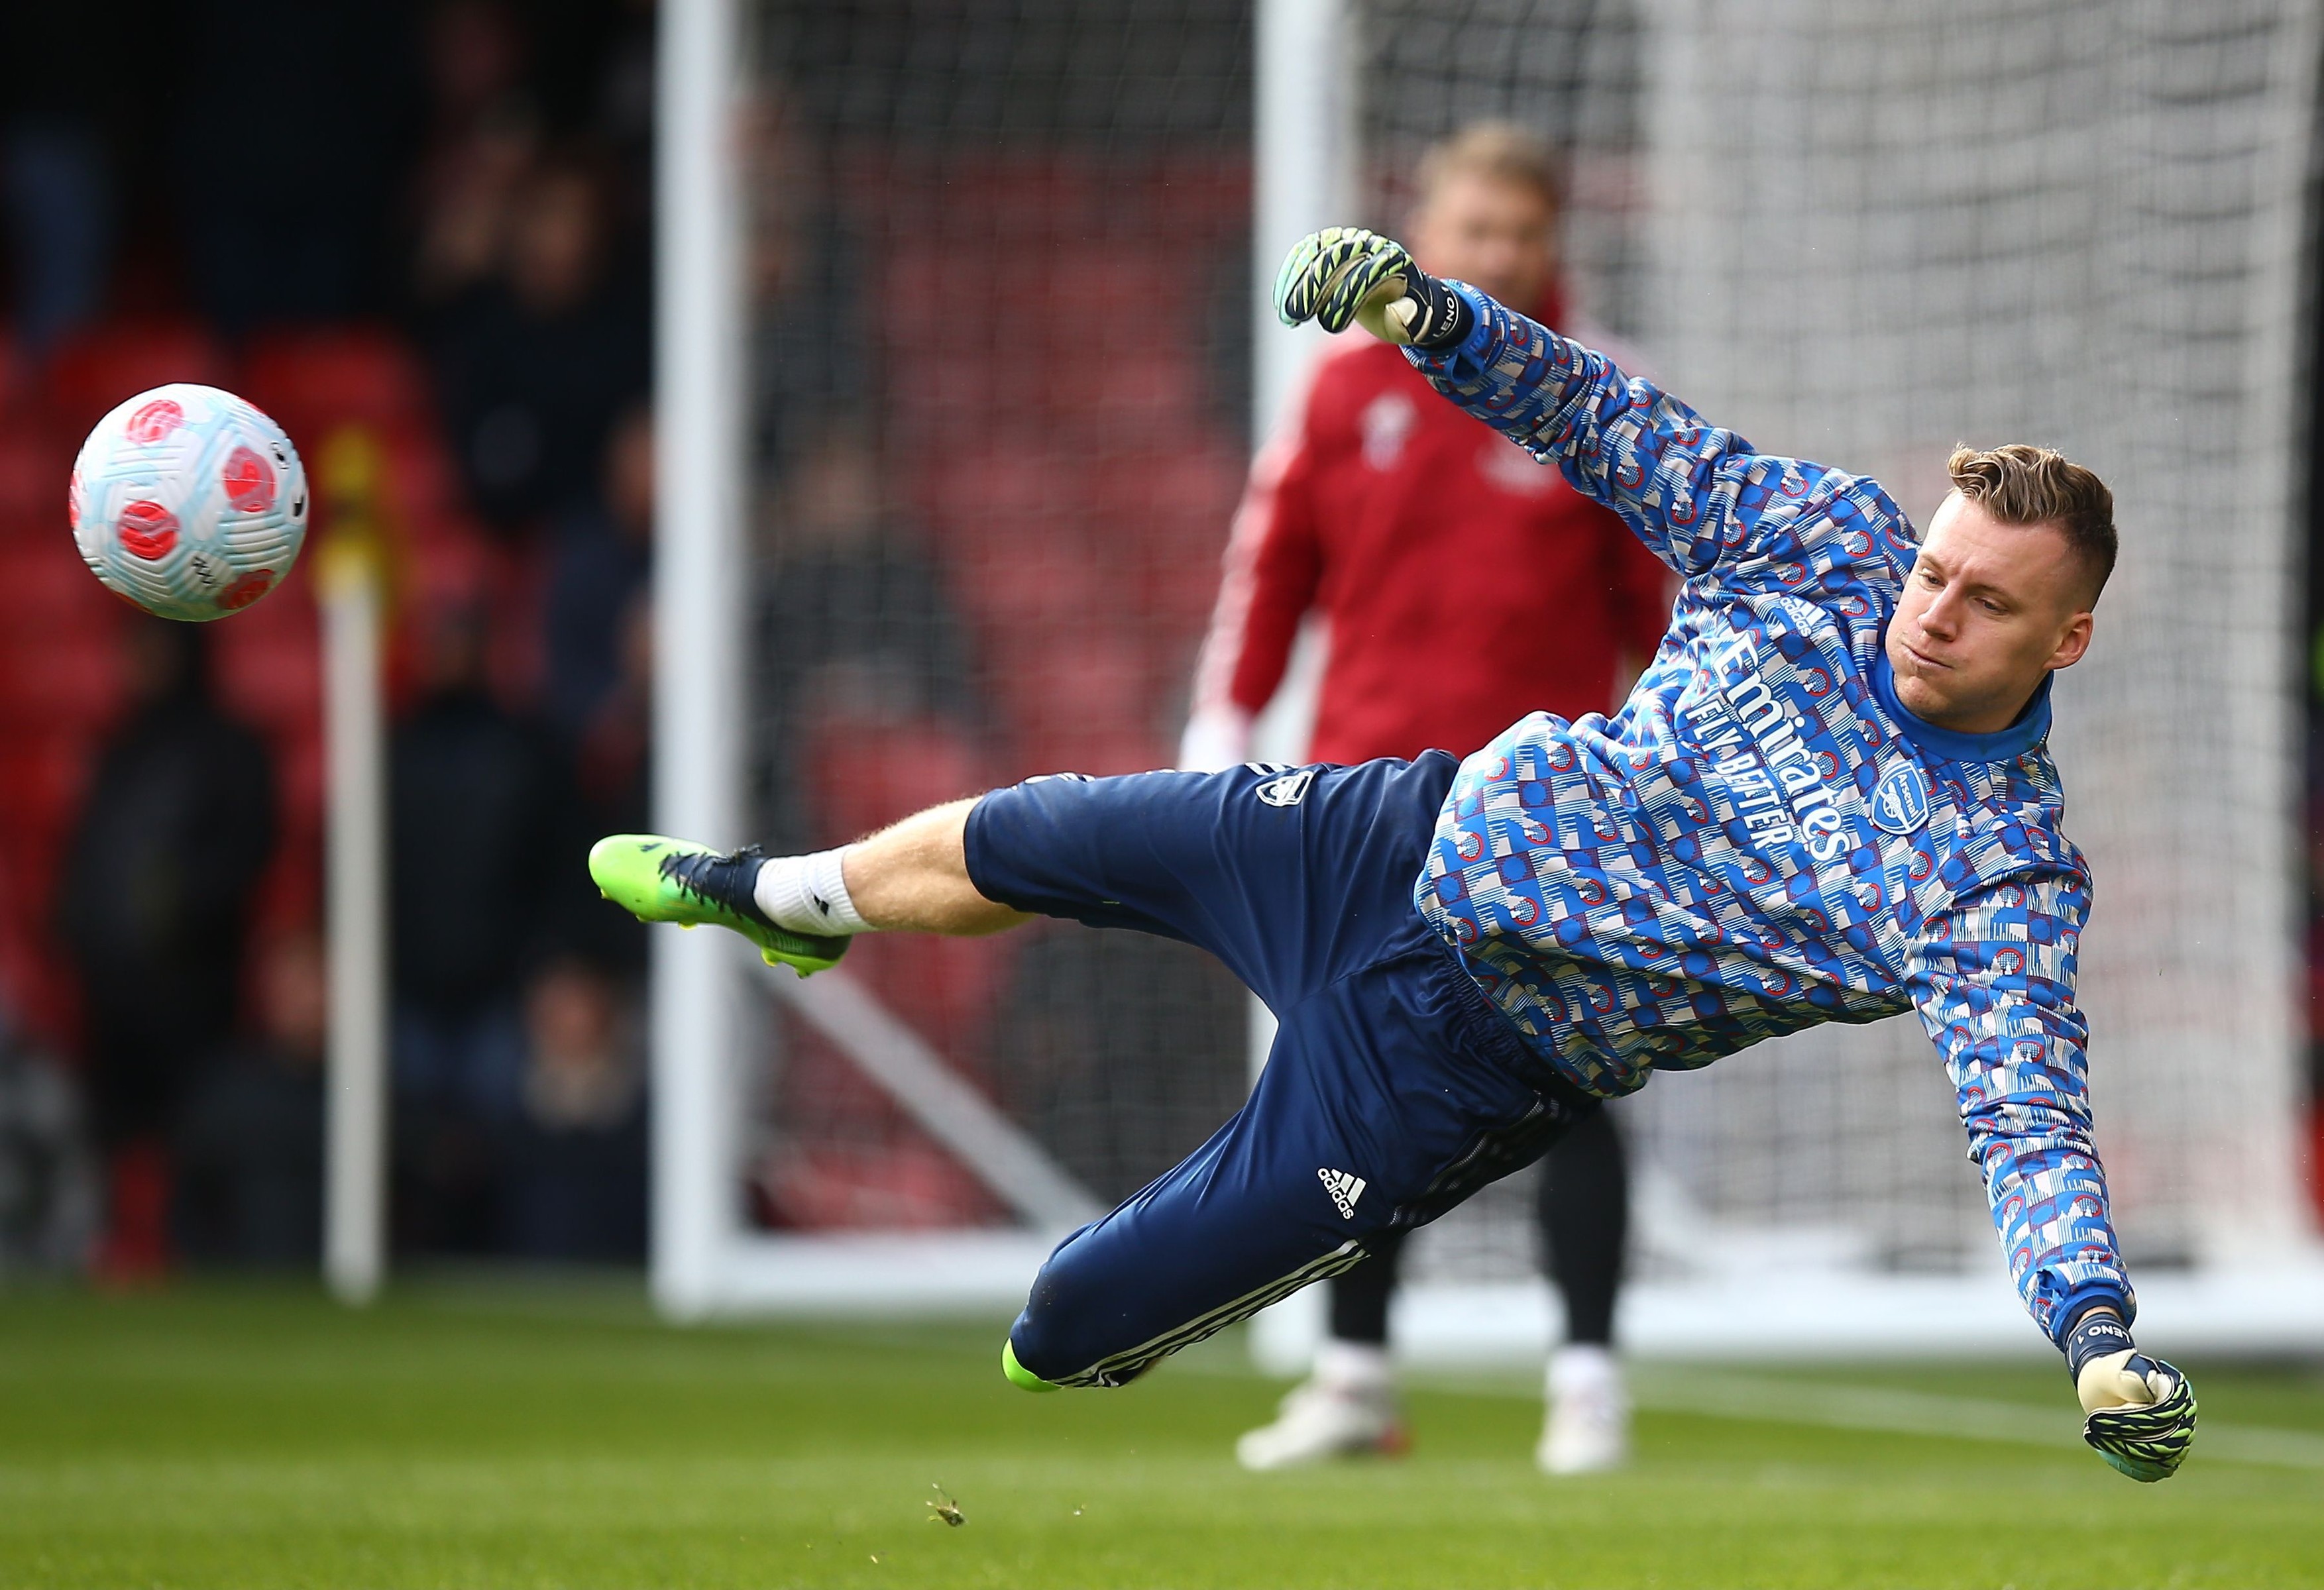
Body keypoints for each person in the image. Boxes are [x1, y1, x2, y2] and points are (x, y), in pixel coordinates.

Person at [590, 227, 2199, 1483]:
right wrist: (1428, 313)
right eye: (1936, 567)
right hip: (1392, 835)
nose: (1933, 606)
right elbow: (1605, 416)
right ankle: (779, 895)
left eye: (1986, 600)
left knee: (1057, 1332)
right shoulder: (1824, 543)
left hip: (1456, 1066)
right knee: (1046, 827)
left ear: (2067, 634)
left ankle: (1147, 1316)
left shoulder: (1994, 872)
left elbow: (2027, 1114)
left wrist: (2095, 1335)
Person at [1181, 123, 1667, 1475]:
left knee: (1570, 1076)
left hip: (1543, 808)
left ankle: (1584, 1383)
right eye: (1471, 229)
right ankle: (1351, 1375)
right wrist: (1221, 734)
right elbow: (1268, 575)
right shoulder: (1341, 391)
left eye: (1520, 231)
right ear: (1423, 234)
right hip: (1360, 798)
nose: (1495, 254)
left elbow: (1668, 616)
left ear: (1553, 242)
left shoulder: (1604, 398)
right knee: (1349, 1078)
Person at [58, 619, 276, 1280]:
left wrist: (184, 906)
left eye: (153, 651)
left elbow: (248, 850)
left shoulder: (228, 747)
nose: (139, 665)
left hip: (194, 986)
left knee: (196, 1135)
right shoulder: (119, 745)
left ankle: (196, 1258)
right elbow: (88, 855)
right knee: (112, 1133)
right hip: (115, 981)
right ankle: (108, 1255)